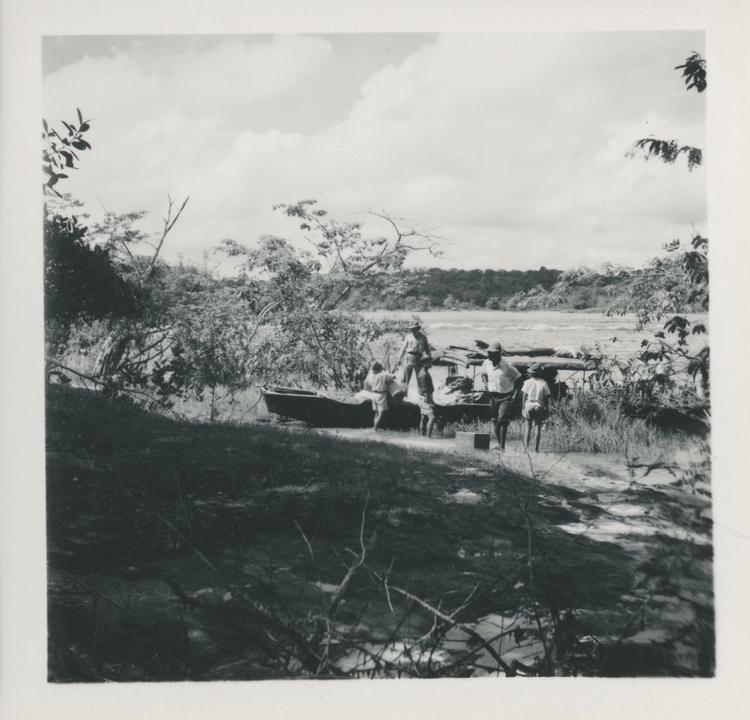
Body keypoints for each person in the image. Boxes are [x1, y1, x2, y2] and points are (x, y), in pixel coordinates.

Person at [480, 341, 521, 450]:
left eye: (491, 353)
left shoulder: (507, 365)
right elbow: (483, 374)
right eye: (488, 353)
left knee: (502, 421)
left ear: (498, 354)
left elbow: (518, 379)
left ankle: (502, 446)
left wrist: (515, 395)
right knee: (494, 420)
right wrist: (485, 384)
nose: (489, 355)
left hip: (505, 396)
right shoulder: (486, 363)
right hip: (492, 396)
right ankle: (500, 445)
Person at [521, 363, 551, 453]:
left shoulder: (527, 382)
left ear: (531, 373)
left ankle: (526, 448)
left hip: (528, 405)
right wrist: (547, 407)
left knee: (528, 427)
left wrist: (522, 407)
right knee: (537, 427)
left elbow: (524, 396)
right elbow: (546, 397)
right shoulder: (543, 382)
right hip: (539, 405)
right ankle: (536, 449)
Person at [396, 322, 431, 390]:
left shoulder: (423, 337)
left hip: (419, 358)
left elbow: (427, 349)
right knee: (405, 377)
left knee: (421, 377)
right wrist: (398, 359)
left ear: (418, 329)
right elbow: (403, 348)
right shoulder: (408, 337)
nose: (413, 331)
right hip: (409, 357)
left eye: (415, 329)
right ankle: (404, 395)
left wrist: (430, 360)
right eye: (412, 329)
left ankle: (422, 396)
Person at [363, 361, 395, 430]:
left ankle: (375, 427)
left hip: (374, 394)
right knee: (381, 413)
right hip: (381, 394)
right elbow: (394, 377)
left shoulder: (371, 376)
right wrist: (388, 373)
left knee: (376, 413)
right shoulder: (383, 375)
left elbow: (366, 385)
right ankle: (375, 428)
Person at [415, 355, 437, 438]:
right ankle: (428, 438)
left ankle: (422, 437)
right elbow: (425, 390)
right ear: (425, 363)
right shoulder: (424, 374)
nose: (431, 363)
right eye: (429, 362)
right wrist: (430, 402)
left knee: (423, 417)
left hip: (421, 398)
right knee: (432, 417)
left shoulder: (421, 372)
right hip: (425, 398)